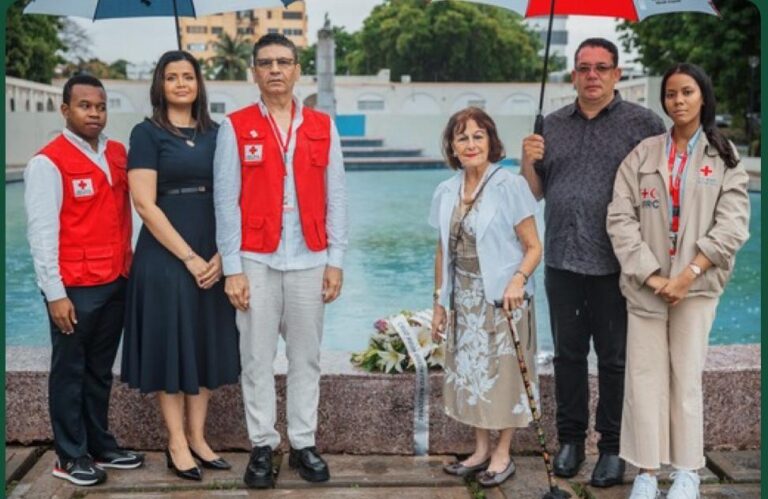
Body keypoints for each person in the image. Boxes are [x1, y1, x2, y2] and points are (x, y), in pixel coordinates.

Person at [520, 38, 666, 486]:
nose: (592, 75)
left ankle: (612, 447)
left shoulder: (643, 124)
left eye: (602, 67)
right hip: (562, 257)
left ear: (617, 74)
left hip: (616, 263)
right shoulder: (551, 125)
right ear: (573, 75)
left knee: (614, 359)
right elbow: (533, 193)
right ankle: (570, 440)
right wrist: (528, 160)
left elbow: (661, 190)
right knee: (567, 356)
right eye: (584, 68)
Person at [607, 63, 750, 499]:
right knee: (644, 379)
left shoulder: (723, 156)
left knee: (686, 377)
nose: (679, 101)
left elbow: (733, 225)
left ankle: (687, 471)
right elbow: (620, 218)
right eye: (671, 94)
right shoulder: (644, 153)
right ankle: (648, 472)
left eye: (687, 92)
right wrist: (652, 275)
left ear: (703, 97)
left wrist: (688, 274)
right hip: (647, 287)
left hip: (696, 288)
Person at [213, 33, 347, 489]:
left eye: (283, 62)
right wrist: (232, 268)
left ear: (296, 70)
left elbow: (337, 197)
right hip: (256, 258)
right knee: (256, 356)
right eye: (266, 62)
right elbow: (225, 202)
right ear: (254, 72)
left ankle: (304, 443)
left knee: (306, 356)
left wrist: (336, 259)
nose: (275, 69)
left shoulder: (323, 126)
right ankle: (263, 445)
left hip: (310, 255)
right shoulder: (235, 126)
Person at [120, 51, 240, 481]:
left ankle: (198, 438)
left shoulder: (219, 133)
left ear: (199, 83)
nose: (181, 83)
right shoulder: (146, 133)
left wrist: (225, 254)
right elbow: (144, 204)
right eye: (171, 77)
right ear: (160, 85)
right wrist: (188, 257)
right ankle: (175, 442)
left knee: (205, 344)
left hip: (214, 252)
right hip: (166, 255)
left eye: (188, 76)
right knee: (172, 346)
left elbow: (235, 196)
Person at [24, 74, 144, 486]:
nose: (95, 114)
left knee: (98, 370)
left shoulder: (118, 153)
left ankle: (99, 445)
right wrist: (55, 293)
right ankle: (69, 455)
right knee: (70, 371)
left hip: (116, 279)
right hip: (74, 287)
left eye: (101, 106)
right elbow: (41, 234)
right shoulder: (48, 162)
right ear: (65, 110)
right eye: (85, 106)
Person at [430, 107, 542, 488]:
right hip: (464, 298)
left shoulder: (510, 186)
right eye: (462, 137)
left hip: (504, 298)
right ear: (452, 147)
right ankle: (479, 450)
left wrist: (518, 281)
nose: (470, 144)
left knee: (505, 376)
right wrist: (439, 303)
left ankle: (502, 453)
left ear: (491, 142)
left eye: (478, 136)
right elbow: (441, 251)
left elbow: (534, 247)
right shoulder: (446, 190)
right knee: (472, 375)